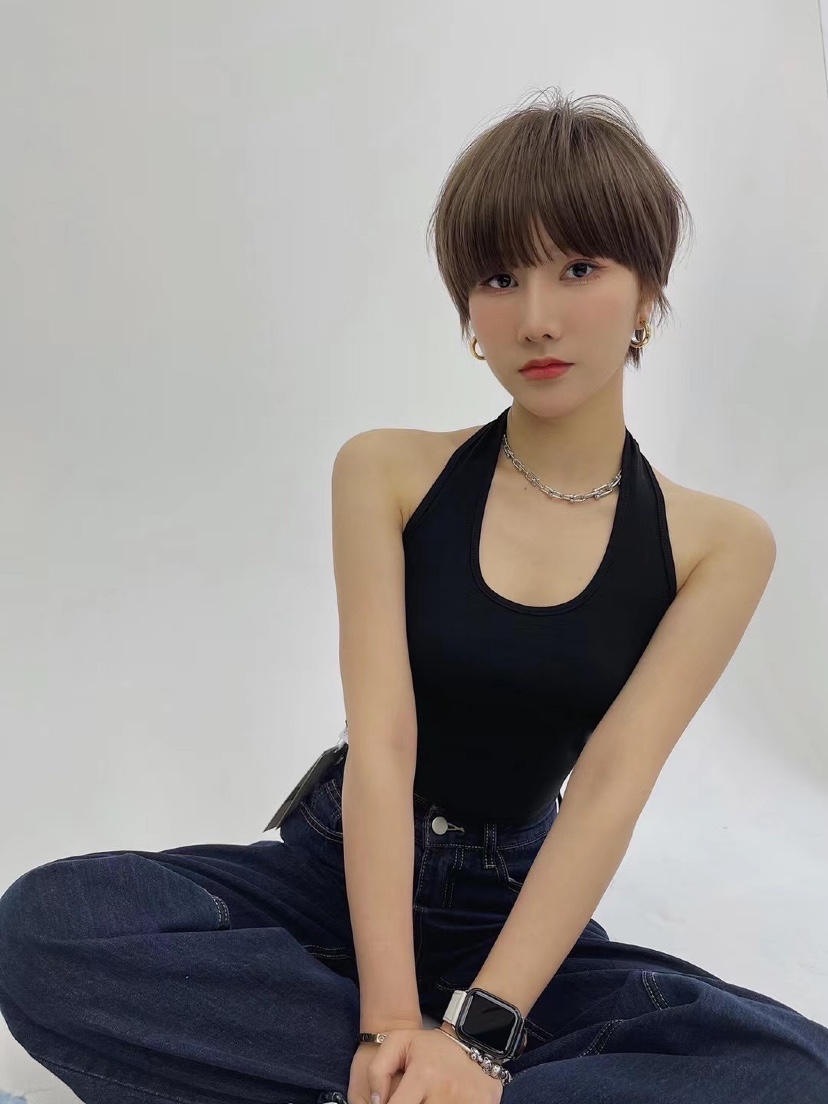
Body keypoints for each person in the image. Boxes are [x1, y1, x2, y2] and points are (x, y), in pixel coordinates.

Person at [1, 87, 827, 1104]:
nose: (536, 317)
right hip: (338, 876)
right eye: (499, 277)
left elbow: (610, 788)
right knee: (46, 927)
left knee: (794, 1070)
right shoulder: (387, 473)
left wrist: (479, 1036)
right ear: (468, 310)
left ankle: (430, 1082)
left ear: (648, 291)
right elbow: (383, 744)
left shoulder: (718, 544)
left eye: (579, 268)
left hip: (512, 918)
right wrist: (392, 1019)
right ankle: (407, 1076)